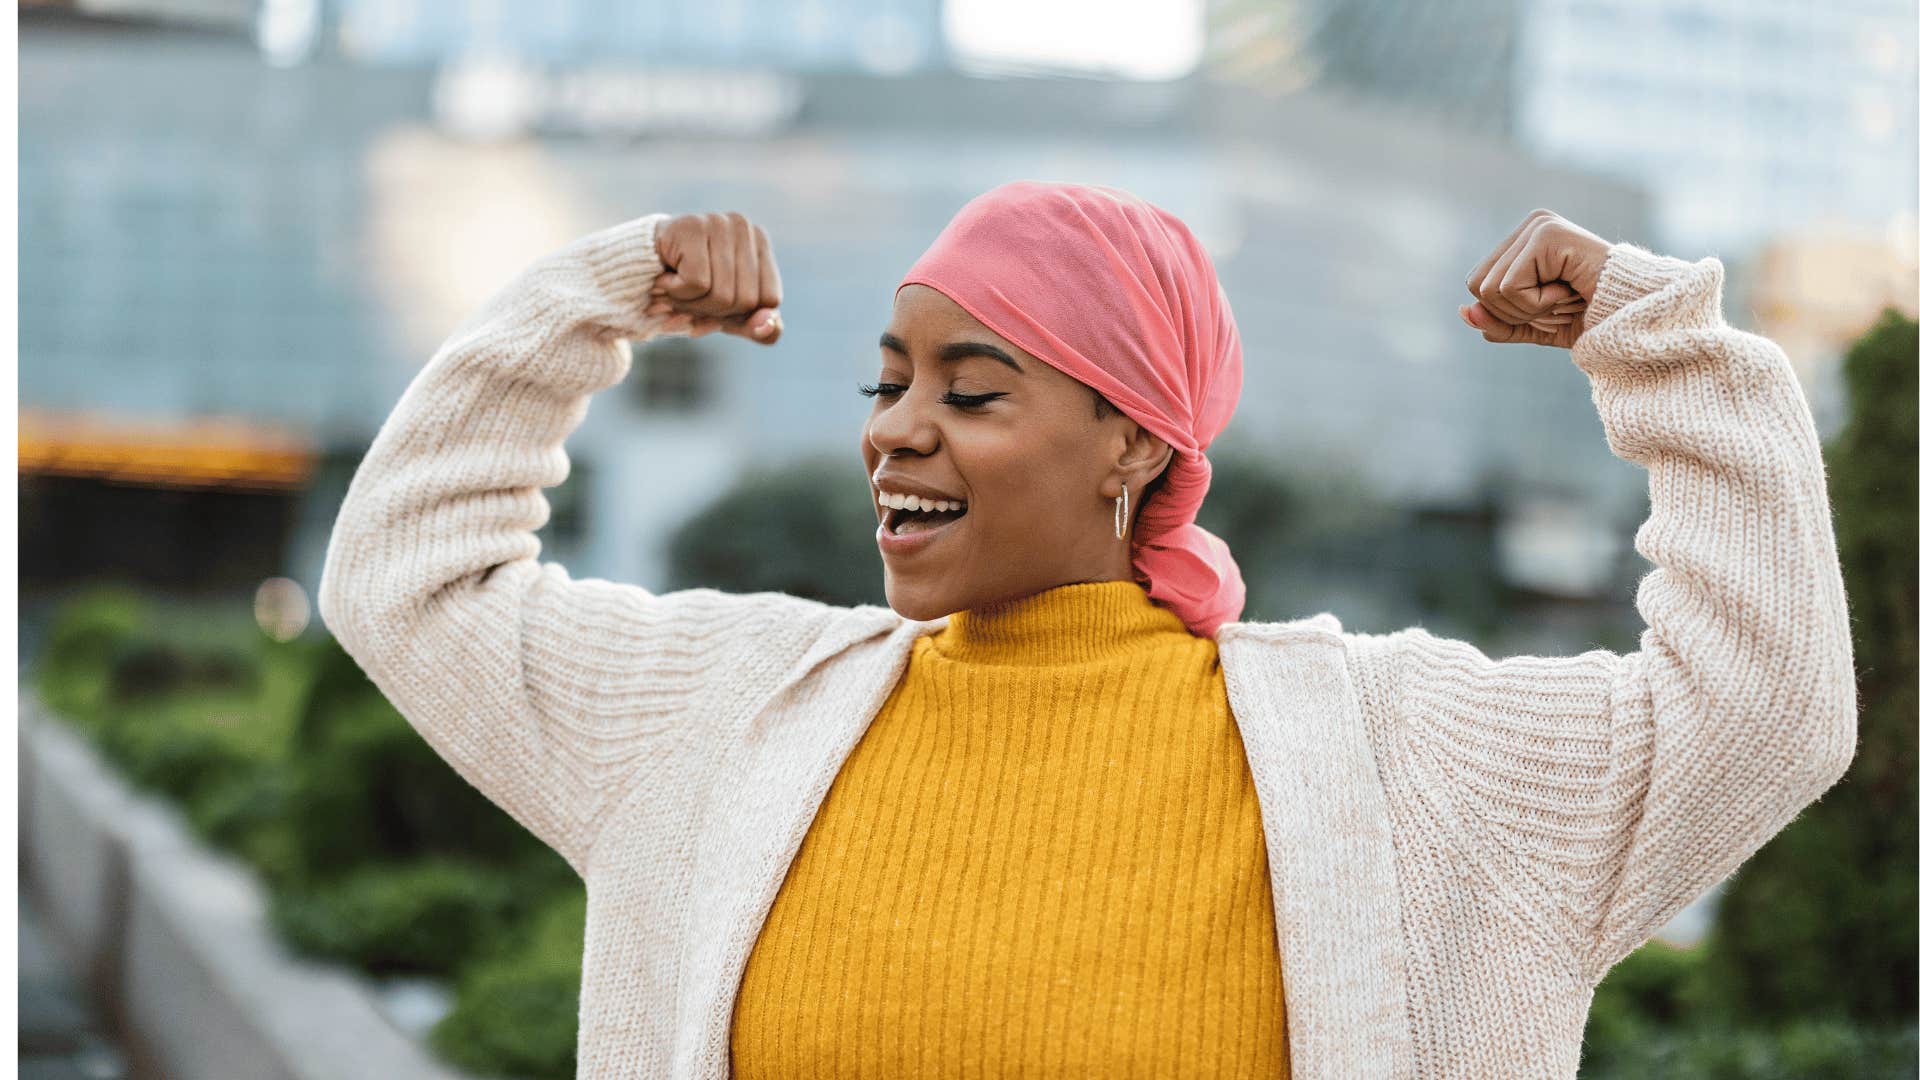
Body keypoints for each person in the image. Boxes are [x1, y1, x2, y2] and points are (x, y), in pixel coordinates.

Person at [317, 182, 1858, 1079]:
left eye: (973, 392)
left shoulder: (1403, 763)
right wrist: (590, 304)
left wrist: (1663, 347)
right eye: (888, 384)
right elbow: (414, 578)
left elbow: (1764, 708)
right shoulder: (722, 712)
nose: (897, 434)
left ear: (1137, 446)